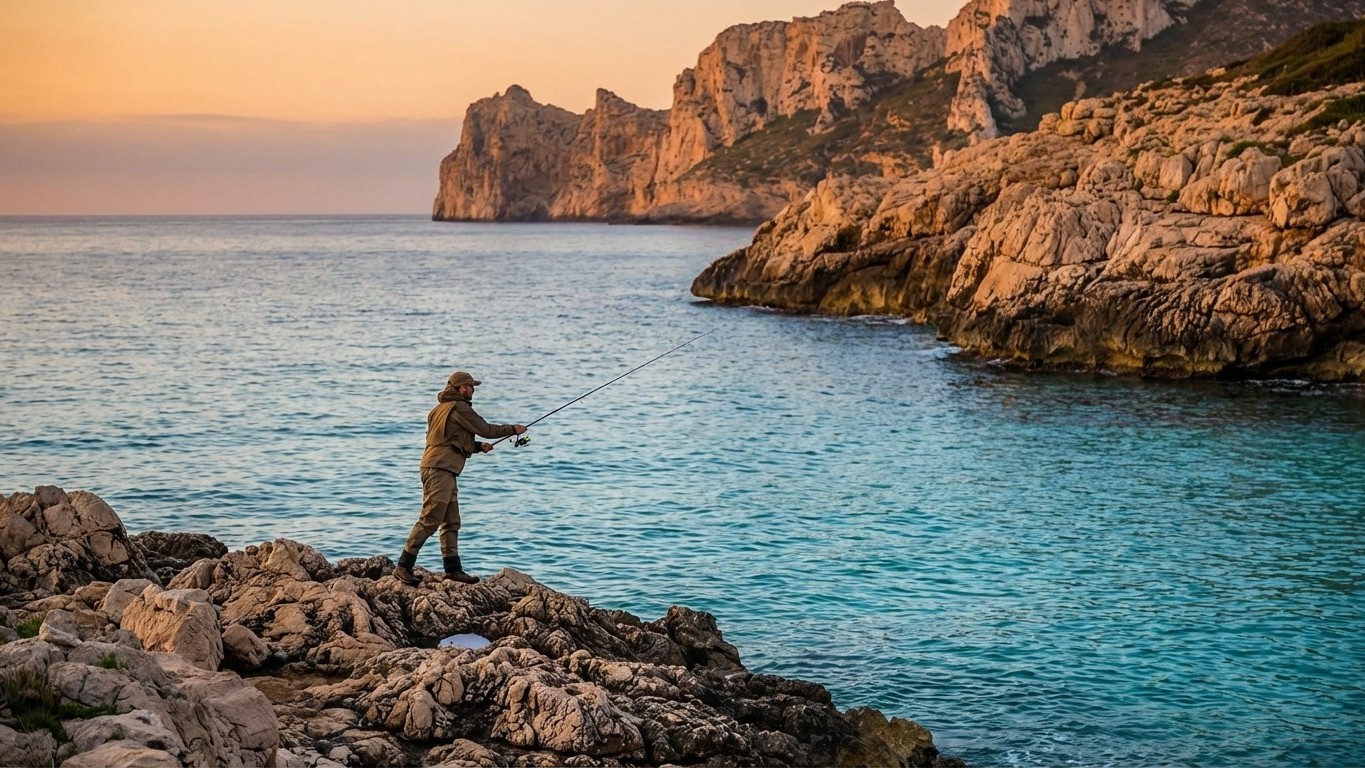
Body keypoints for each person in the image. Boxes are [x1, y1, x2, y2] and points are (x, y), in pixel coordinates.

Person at [393, 371, 525, 586]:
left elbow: (448, 440)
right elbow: (486, 429)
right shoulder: (459, 407)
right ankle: (403, 566)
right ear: (462, 388)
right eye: (471, 386)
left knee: (451, 521)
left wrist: (476, 447)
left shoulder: (438, 410)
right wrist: (513, 429)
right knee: (430, 519)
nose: (473, 390)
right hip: (440, 469)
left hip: (439, 467)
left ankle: (453, 569)